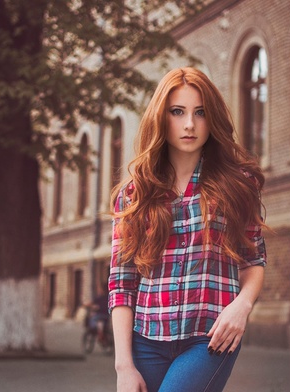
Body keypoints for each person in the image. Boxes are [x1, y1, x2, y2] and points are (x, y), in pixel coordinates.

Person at [108, 67, 267, 392]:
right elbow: (121, 282)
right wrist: (123, 365)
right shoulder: (135, 194)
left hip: (210, 338)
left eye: (200, 113)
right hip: (146, 340)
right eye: (177, 112)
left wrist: (242, 305)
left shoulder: (238, 185)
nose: (190, 124)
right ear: (161, 117)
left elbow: (253, 261)